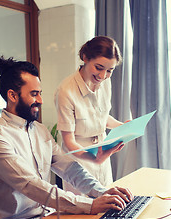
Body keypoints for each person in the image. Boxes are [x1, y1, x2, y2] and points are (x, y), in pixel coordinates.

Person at [0, 56, 133, 219]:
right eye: (34, 94)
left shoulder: (39, 130)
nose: (40, 100)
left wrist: (102, 192)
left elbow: (69, 168)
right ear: (12, 95)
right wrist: (91, 205)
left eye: (40, 93)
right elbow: (31, 185)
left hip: (45, 217)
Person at [54, 36, 126, 195]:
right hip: (80, 160)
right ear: (85, 58)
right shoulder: (66, 91)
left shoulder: (105, 82)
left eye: (110, 70)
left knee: (109, 203)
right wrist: (94, 158)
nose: (103, 75)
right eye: (99, 67)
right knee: (84, 210)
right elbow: (69, 141)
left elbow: (101, 118)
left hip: (102, 155)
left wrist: (123, 127)